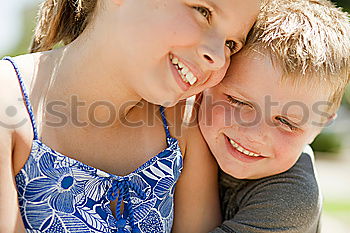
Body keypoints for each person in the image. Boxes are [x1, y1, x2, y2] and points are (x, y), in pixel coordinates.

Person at [0, 0, 260, 232]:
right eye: (202, 11)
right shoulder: (7, 102)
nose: (216, 57)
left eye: (230, 44)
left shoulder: (184, 124)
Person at [198, 0, 350, 232]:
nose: (254, 135)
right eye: (238, 102)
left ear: (320, 125)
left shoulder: (291, 200)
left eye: (286, 123)